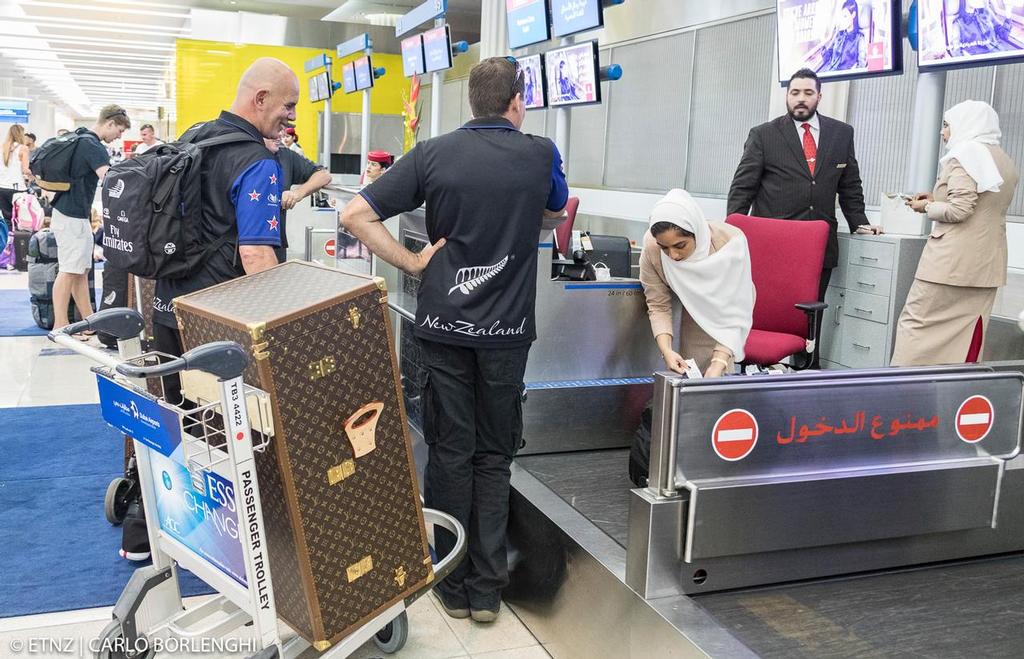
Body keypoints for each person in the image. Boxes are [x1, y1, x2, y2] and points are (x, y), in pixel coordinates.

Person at [341, 56, 568, 624]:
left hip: (441, 328)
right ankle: (488, 591)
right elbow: (556, 209)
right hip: (507, 335)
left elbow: (354, 214)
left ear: (471, 101)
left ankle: (451, 581)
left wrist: (414, 262)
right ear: (517, 102)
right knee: (494, 456)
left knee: (449, 451)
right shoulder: (541, 153)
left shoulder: (435, 152)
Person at [727, 68, 881, 364]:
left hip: (818, 247)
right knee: (767, 315)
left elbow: (850, 185)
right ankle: (760, 367)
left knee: (810, 318)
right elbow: (742, 188)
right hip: (772, 248)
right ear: (787, 96)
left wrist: (860, 223)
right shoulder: (764, 135)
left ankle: (809, 372)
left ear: (819, 97)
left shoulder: (841, 134)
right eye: (795, 92)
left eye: (808, 93)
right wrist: (732, 231)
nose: (800, 99)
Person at [152, 57, 296, 358]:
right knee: (219, 407)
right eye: (288, 105)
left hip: (167, 305)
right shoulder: (257, 161)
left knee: (176, 402)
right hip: (217, 320)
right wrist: (282, 329)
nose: (292, 117)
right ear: (261, 99)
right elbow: (255, 254)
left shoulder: (194, 136)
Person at [891, 100, 1019, 366]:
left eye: (947, 125)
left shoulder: (964, 154)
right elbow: (982, 203)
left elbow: (961, 209)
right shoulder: (1004, 161)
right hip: (985, 268)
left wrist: (926, 206)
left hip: (948, 266)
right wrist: (937, 195)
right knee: (967, 335)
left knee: (915, 325)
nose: (943, 132)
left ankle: (902, 391)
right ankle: (953, 393)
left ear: (967, 125)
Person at [640, 189, 755, 377]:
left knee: (714, 383)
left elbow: (736, 311)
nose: (673, 256)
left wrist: (719, 362)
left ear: (696, 233)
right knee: (685, 382)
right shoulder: (653, 248)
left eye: (680, 246)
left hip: (723, 316)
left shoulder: (729, 244)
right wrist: (666, 350)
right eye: (665, 248)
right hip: (684, 316)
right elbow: (658, 305)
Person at [51, 105, 130, 334]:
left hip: (73, 213)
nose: (119, 136)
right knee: (69, 270)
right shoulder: (92, 145)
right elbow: (110, 180)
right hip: (71, 214)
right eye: (120, 130)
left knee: (81, 270)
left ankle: (89, 323)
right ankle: (60, 325)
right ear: (110, 123)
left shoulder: (81, 138)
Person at [264, 135, 332, 262]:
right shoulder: (240, 154)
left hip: (275, 244)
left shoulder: (286, 157)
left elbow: (323, 175)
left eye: (281, 130)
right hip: (237, 246)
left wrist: (297, 193)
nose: (279, 135)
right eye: (274, 127)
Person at [949, 0, 1013, 58]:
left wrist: (1008, 13)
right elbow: (956, 53)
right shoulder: (958, 24)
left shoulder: (987, 13)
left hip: (1001, 54)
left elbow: (1003, 35)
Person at [820, 0, 866, 72]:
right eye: (842, 16)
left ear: (853, 15)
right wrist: (823, 46)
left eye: (845, 16)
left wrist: (851, 72)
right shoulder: (839, 35)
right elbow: (827, 57)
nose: (843, 20)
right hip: (829, 72)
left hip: (843, 78)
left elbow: (861, 65)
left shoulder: (859, 38)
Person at [1, 124, 32, 225]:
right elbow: (25, 170)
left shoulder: (2, 147)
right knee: (20, 219)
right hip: (17, 188)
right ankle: (19, 240)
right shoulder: (23, 148)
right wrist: (32, 175)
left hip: (2, 187)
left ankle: (7, 239)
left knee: (6, 219)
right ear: (21, 134)